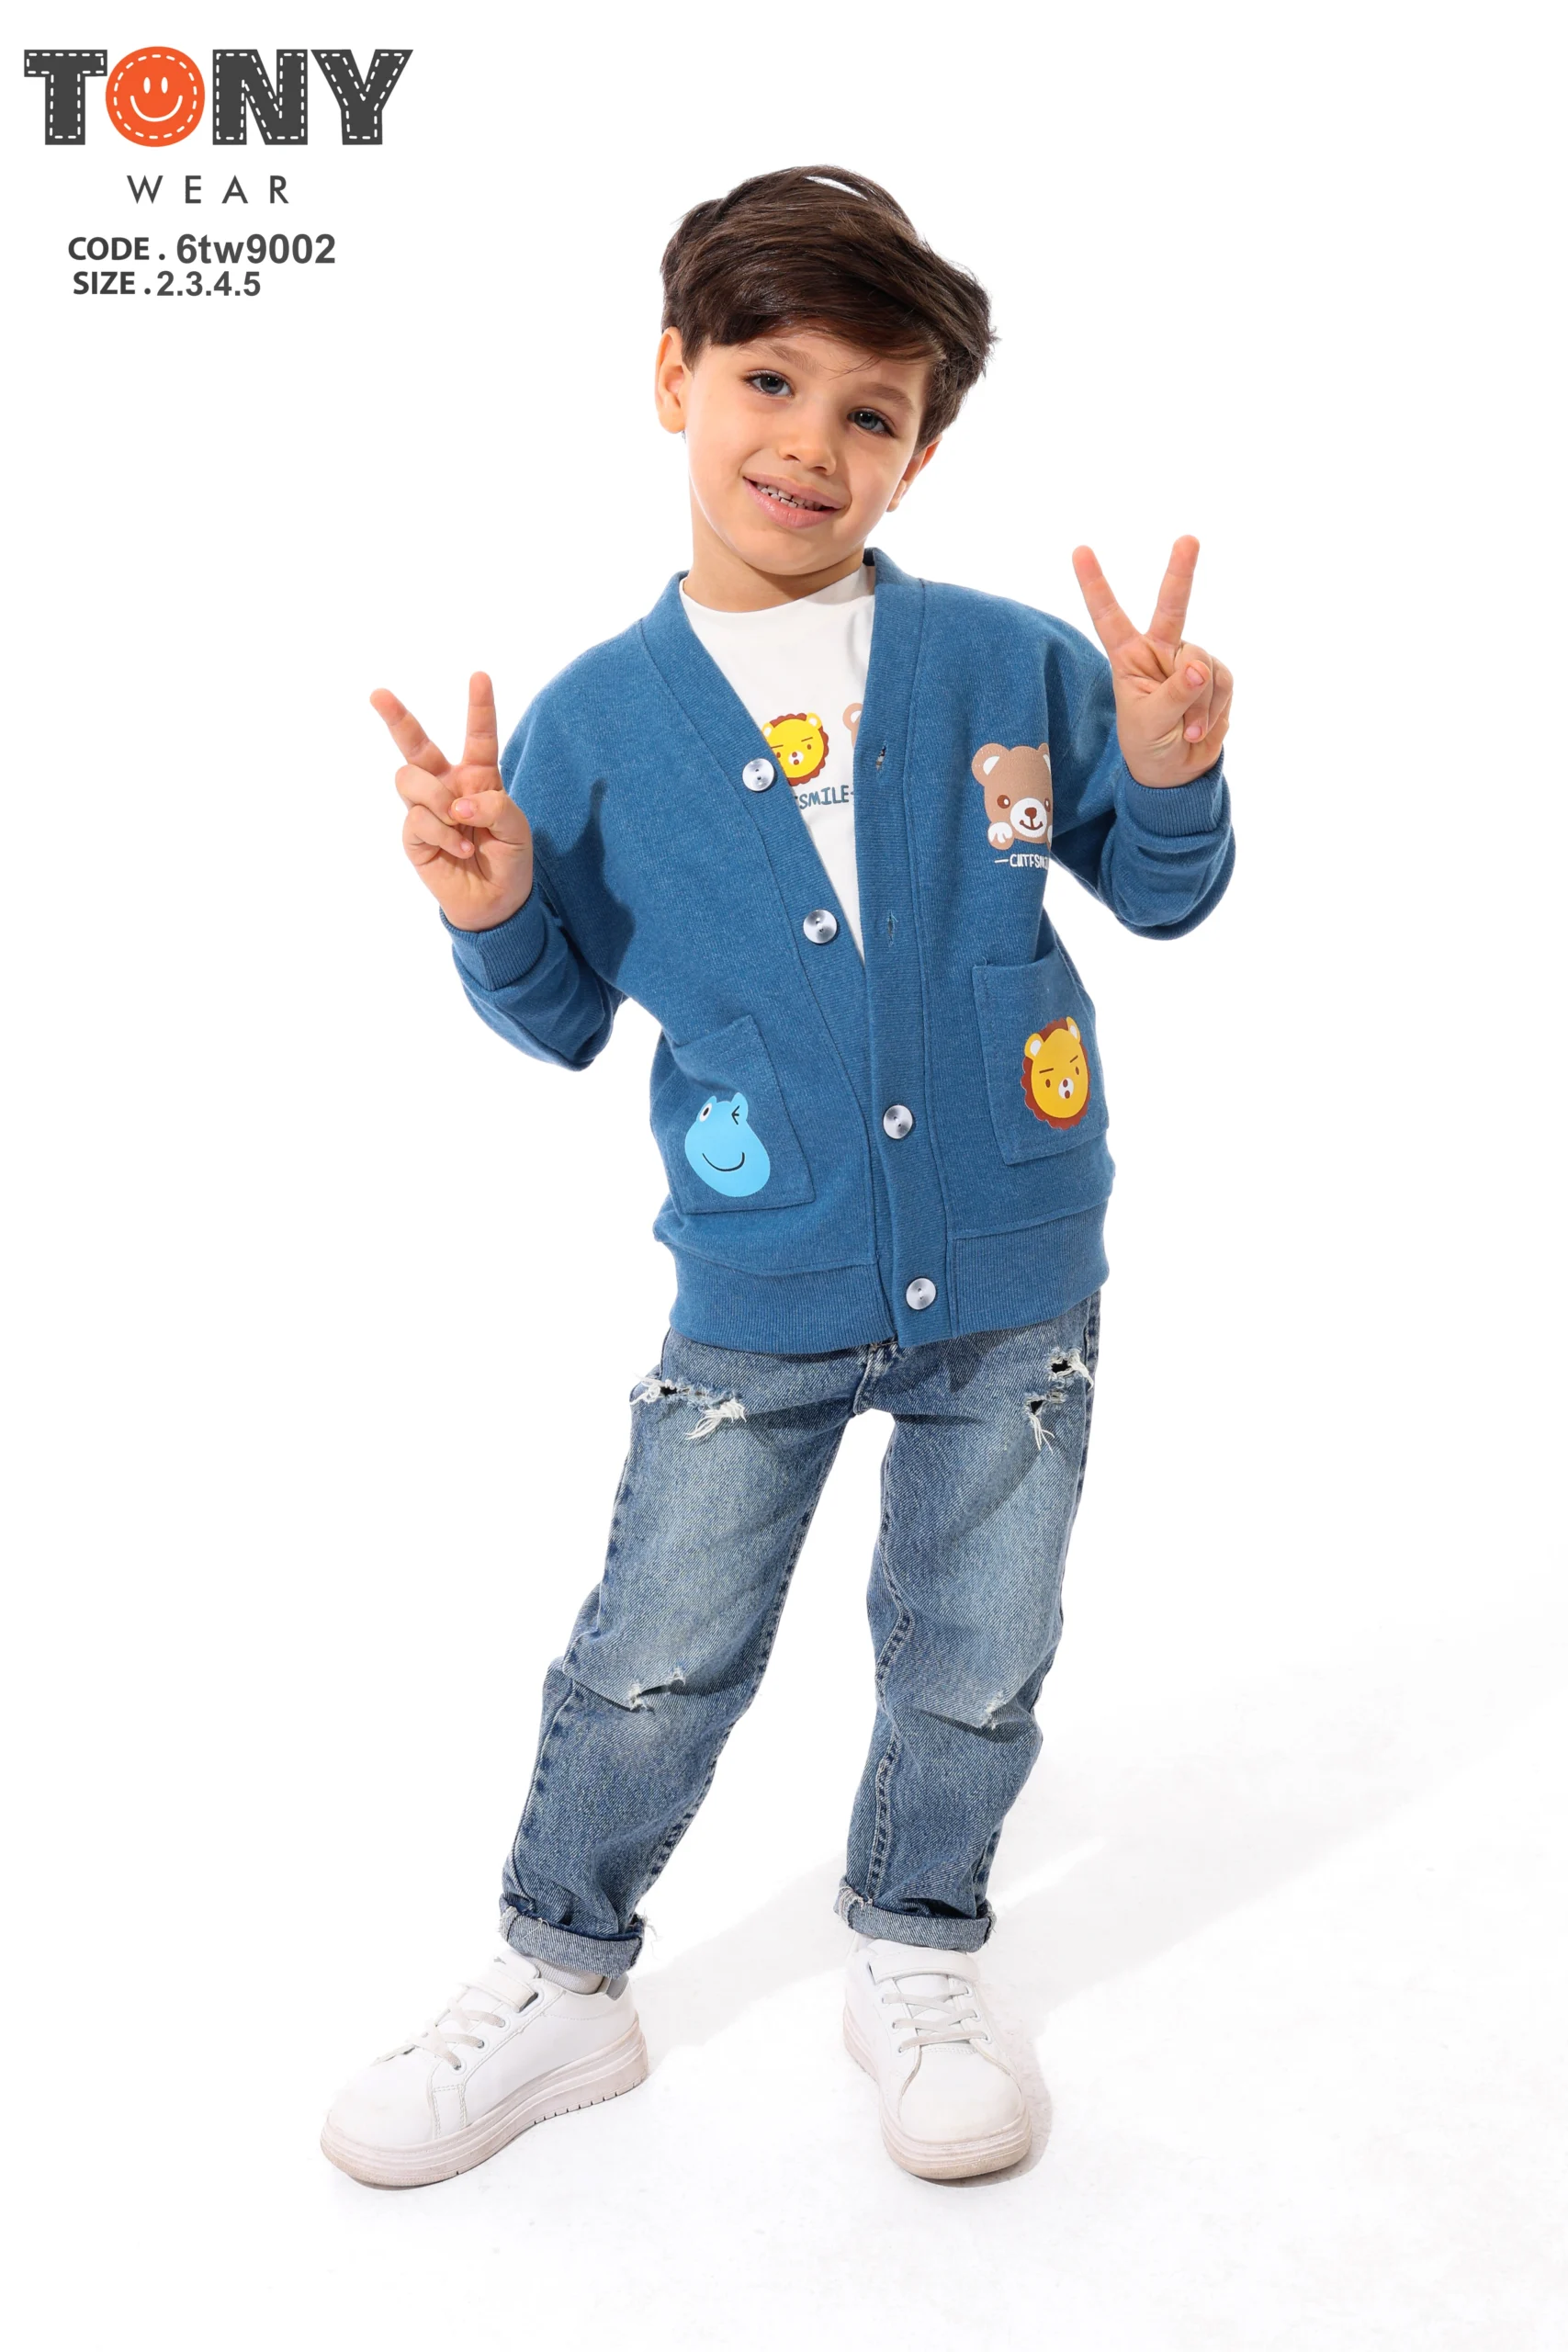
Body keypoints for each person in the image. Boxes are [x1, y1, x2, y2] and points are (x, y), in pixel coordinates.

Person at [321, 164, 1235, 2189]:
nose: (810, 444)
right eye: (766, 380)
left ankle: (918, 1947)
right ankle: (561, 1976)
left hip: (1019, 1268)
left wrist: (1172, 775)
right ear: (673, 378)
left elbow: (1158, 892)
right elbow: (559, 1016)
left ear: (921, 452)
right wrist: (488, 906)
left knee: (976, 1654)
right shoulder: (592, 726)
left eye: (869, 411)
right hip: (761, 1280)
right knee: (653, 1652)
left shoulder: (1009, 663)